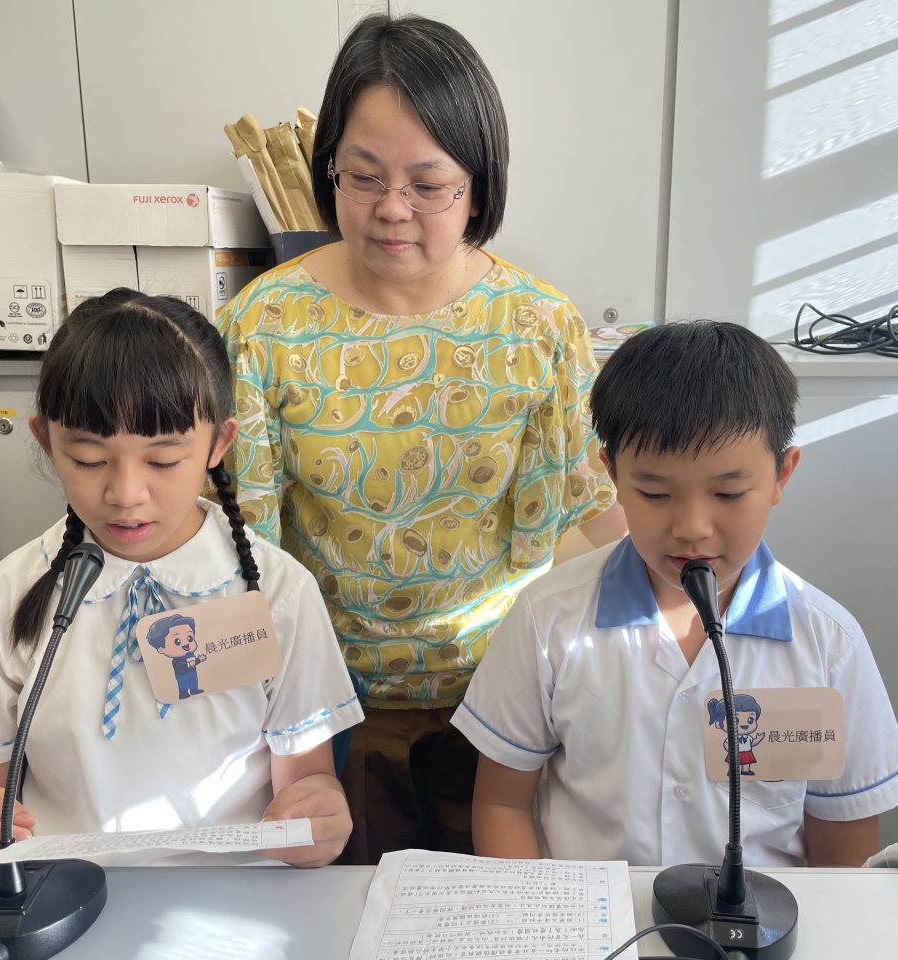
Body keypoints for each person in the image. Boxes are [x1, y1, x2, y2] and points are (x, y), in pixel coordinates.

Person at [217, 14, 625, 864]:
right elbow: (242, 541)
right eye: (362, 176)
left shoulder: (538, 325)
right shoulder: (265, 324)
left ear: (479, 182)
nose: (391, 209)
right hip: (324, 715)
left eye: (428, 184)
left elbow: (590, 507)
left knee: (490, 912)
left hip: (503, 709)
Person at [0, 290, 363, 876]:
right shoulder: (6, 599)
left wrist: (317, 814)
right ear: (46, 441)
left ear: (219, 445)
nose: (125, 494)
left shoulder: (278, 593)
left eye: (163, 460)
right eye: (89, 459)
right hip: (64, 892)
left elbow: (307, 782)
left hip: (238, 894)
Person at [455, 321, 898, 868]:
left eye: (729, 493)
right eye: (654, 493)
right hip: (596, 913)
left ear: (781, 475)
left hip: (759, 918)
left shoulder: (828, 643)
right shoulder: (546, 618)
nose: (692, 528)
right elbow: (502, 803)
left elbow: (843, 845)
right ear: (612, 474)